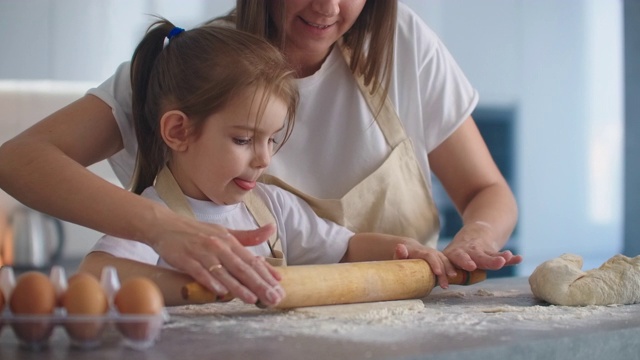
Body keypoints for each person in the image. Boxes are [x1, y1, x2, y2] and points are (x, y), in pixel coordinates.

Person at [0, 1, 521, 307]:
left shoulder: (401, 43)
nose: (327, 7)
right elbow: (19, 158)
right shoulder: (191, 71)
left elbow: (485, 192)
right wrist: (159, 228)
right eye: (244, 139)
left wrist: (470, 239)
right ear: (178, 130)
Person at [78, 18, 456, 307]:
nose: (264, 158)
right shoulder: (154, 218)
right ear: (178, 131)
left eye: (271, 139)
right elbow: (94, 275)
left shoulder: (270, 208)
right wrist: (201, 285)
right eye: (243, 139)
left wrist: (405, 249)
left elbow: (347, 247)